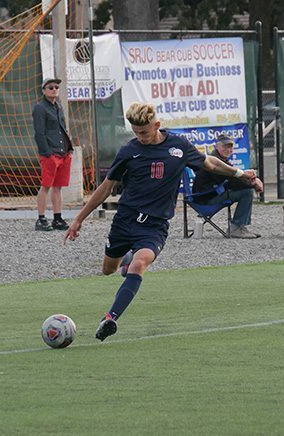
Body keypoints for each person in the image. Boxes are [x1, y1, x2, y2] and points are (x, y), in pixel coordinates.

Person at [64, 102, 257, 341]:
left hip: (155, 225)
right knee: (107, 270)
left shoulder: (179, 147)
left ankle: (110, 318)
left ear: (157, 125)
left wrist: (240, 173)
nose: (140, 137)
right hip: (125, 220)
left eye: (144, 132)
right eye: (135, 132)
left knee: (140, 264)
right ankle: (126, 258)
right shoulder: (128, 151)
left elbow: (210, 163)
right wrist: (79, 219)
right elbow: (105, 188)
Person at [191, 134, 264, 238]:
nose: (228, 149)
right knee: (247, 192)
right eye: (225, 146)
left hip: (211, 195)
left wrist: (253, 179)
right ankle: (236, 228)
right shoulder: (214, 162)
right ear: (217, 146)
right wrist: (253, 184)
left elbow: (234, 178)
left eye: (230, 147)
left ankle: (240, 227)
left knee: (246, 190)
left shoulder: (221, 160)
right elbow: (233, 184)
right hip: (205, 201)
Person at [33, 78, 74, 231]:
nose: (54, 89)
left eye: (56, 87)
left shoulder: (58, 106)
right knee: (46, 186)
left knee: (58, 187)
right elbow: (39, 133)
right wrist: (47, 152)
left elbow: (62, 128)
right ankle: (41, 218)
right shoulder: (40, 108)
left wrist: (69, 148)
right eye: (50, 87)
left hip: (63, 152)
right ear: (43, 90)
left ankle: (57, 217)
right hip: (50, 153)